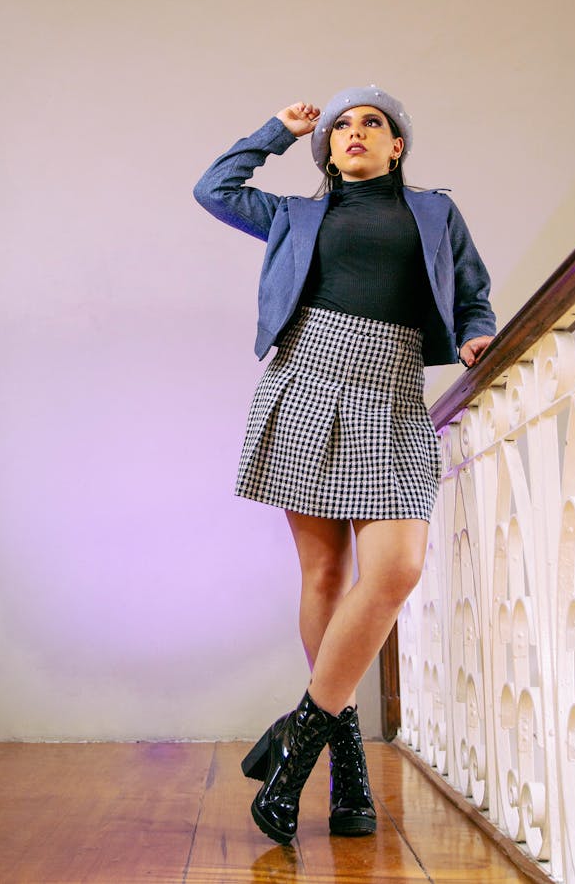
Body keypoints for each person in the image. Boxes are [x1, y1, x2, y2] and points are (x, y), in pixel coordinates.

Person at [193, 84, 496, 846]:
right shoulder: (296, 214)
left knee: (393, 569)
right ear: (326, 150)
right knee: (325, 576)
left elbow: (473, 294)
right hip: (309, 378)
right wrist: (275, 130)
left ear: (398, 146)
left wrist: (476, 335)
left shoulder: (433, 212)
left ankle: (297, 749)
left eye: (373, 123)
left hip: (392, 391)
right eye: (340, 126)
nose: (354, 131)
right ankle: (349, 763)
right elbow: (214, 188)